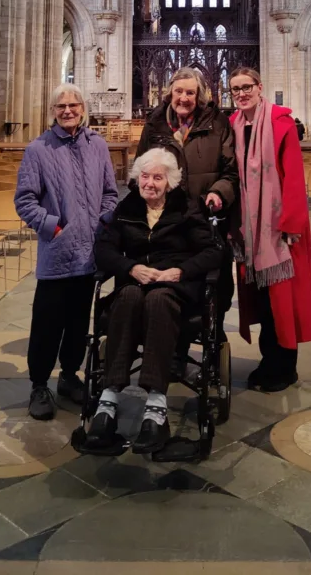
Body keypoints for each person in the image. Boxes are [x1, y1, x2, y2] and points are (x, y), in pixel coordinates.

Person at [87, 148, 223, 453]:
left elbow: (213, 251)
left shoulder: (187, 209)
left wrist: (180, 271)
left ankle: (156, 404)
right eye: (145, 176)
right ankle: (108, 399)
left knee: (159, 300)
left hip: (173, 290)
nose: (150, 183)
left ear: (170, 181)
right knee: (129, 296)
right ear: (137, 178)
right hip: (135, 283)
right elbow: (103, 250)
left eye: (158, 177)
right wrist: (130, 268)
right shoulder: (126, 208)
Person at [15, 83, 118, 421]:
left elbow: (110, 193)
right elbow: (25, 200)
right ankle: (39, 385)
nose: (68, 111)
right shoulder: (38, 150)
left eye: (74, 105)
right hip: (57, 254)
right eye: (61, 106)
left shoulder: (98, 145)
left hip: (88, 253)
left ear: (83, 108)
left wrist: (101, 224)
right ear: (53, 111)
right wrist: (53, 227)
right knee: (47, 322)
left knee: (78, 322)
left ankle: (70, 376)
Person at [228, 67, 311, 392]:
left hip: (279, 232)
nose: (241, 93)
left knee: (283, 302)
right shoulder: (233, 126)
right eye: (235, 89)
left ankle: (284, 367)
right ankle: (269, 361)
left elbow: (293, 175)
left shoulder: (282, 123)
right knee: (263, 302)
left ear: (259, 87)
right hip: (251, 232)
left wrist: (289, 225)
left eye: (246, 86)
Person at [136, 66, 238, 347]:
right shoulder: (155, 123)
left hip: (206, 220)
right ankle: (171, 345)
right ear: (169, 93)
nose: (184, 98)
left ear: (199, 95)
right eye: (179, 91)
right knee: (168, 283)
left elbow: (231, 172)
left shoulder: (218, 123)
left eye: (190, 92)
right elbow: (140, 170)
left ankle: (213, 329)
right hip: (166, 222)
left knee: (214, 283)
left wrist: (218, 192)